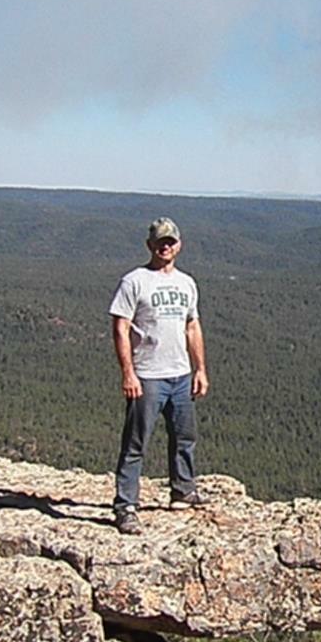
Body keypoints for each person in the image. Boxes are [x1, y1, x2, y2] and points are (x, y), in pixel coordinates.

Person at [108, 217, 210, 534]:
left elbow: (192, 326)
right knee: (136, 443)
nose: (165, 247)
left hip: (180, 374)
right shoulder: (134, 281)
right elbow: (120, 328)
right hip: (148, 376)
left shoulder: (186, 283)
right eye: (160, 242)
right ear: (149, 245)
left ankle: (183, 490)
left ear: (179, 245)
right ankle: (126, 506)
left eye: (170, 241)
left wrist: (200, 369)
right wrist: (129, 373)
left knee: (184, 437)